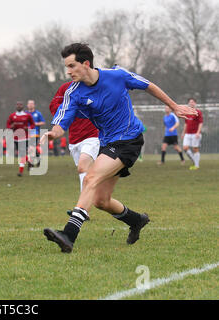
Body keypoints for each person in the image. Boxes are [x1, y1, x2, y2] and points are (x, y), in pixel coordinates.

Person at [41, 43, 197, 253]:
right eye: (66, 67)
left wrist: (175, 106)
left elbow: (148, 85)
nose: (68, 71)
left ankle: (69, 235)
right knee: (101, 200)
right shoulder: (74, 93)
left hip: (129, 139)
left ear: (86, 63)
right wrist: (53, 133)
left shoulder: (117, 75)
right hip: (108, 143)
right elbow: (62, 123)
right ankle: (136, 220)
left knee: (90, 178)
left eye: (72, 66)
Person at [49, 81, 100, 192]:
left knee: (83, 167)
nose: (70, 71)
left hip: (93, 136)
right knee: (84, 171)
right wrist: (70, 109)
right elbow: (53, 106)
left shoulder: (97, 85)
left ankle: (81, 207)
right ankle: (91, 198)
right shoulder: (65, 87)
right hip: (74, 139)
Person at [6, 101, 35, 177]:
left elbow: (33, 124)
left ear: (23, 106)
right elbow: (8, 125)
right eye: (17, 105)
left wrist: (28, 128)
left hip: (25, 138)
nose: (19, 106)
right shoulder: (12, 116)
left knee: (22, 154)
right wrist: (11, 127)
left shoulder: (27, 115)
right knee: (23, 153)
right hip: (16, 138)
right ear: (16, 106)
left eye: (20, 105)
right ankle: (30, 161)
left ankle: (20, 171)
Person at [181, 98, 203, 170]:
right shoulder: (187, 113)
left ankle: (196, 165)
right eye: (190, 102)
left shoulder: (198, 112)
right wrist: (183, 133)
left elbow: (200, 123)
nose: (191, 103)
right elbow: (186, 124)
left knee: (195, 148)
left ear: (195, 103)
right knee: (185, 148)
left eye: (193, 102)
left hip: (195, 134)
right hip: (188, 134)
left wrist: (198, 132)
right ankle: (194, 160)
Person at [26, 100, 45, 166]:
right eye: (29, 104)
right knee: (28, 148)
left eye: (32, 104)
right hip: (26, 133)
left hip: (35, 133)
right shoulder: (25, 113)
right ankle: (38, 158)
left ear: (34, 105)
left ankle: (30, 163)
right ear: (27, 105)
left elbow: (43, 122)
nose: (30, 105)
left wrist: (36, 124)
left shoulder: (38, 113)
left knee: (31, 147)